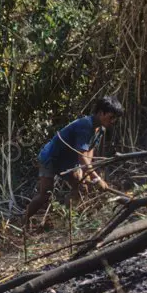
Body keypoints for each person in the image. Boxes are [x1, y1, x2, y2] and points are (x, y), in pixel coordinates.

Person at [24, 96, 124, 227]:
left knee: (82, 187)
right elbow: (82, 157)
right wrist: (98, 179)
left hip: (67, 161)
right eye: (111, 117)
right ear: (101, 113)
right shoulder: (85, 126)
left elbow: (89, 151)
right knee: (45, 195)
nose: (113, 121)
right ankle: (24, 221)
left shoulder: (100, 129)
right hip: (50, 157)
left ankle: (67, 222)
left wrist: (88, 175)